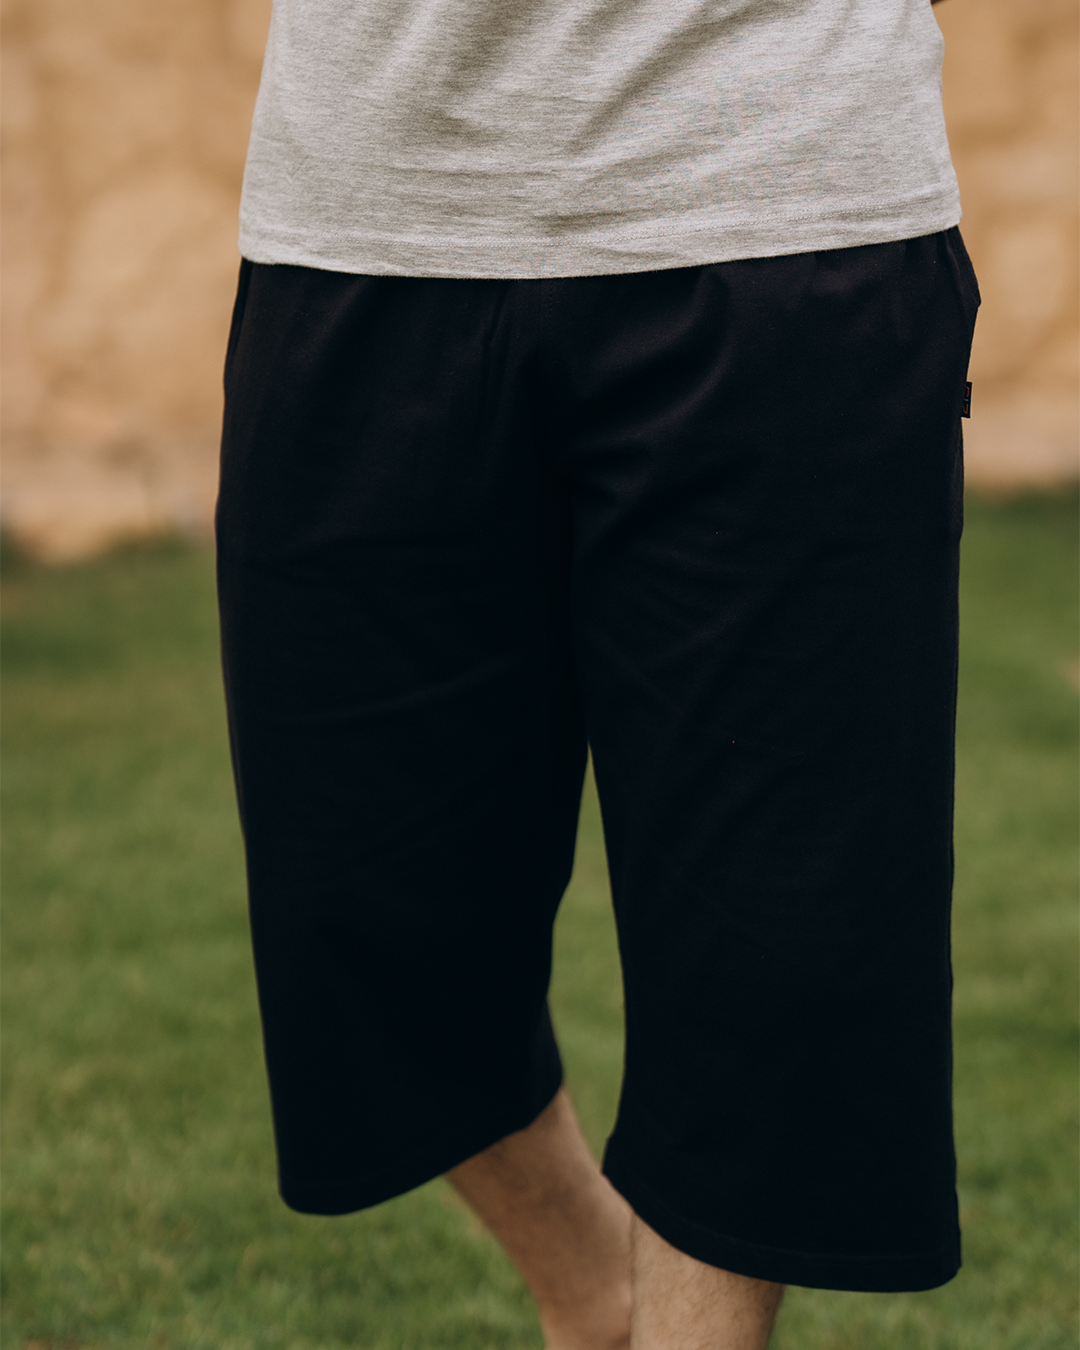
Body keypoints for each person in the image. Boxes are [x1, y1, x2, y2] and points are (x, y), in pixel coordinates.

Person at [215, 0, 979, 1342]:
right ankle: (598, 1297)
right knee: (357, 907)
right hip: (369, 210)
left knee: (780, 939)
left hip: (783, 191)